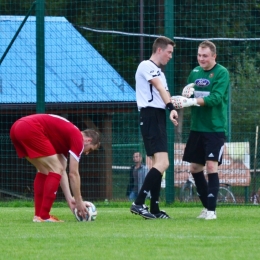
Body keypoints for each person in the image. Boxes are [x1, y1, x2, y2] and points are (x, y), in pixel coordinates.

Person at [171, 40, 230, 220]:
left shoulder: (222, 73)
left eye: (205, 56)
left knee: (211, 166)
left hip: (215, 128)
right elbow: (190, 92)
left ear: (214, 56)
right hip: (197, 128)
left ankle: (212, 211)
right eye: (199, 55)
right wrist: (186, 94)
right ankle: (205, 207)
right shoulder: (195, 72)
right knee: (195, 167)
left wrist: (192, 101)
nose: (201, 59)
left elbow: (216, 99)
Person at [10, 114, 100, 222]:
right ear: (88, 140)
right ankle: (44, 216)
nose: (87, 153)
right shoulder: (78, 139)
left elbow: (62, 171)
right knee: (55, 169)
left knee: (45, 171)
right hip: (30, 128)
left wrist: (70, 199)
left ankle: (38, 216)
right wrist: (79, 200)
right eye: (90, 150)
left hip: (17, 127)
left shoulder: (64, 139)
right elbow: (73, 174)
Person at [130, 36, 178, 219]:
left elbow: (164, 92)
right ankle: (138, 203)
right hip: (150, 116)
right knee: (163, 163)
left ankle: (155, 209)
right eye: (169, 52)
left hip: (157, 116)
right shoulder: (146, 66)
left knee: (160, 164)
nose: (170, 56)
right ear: (159, 50)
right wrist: (171, 107)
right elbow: (158, 87)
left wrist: (174, 104)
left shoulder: (159, 71)